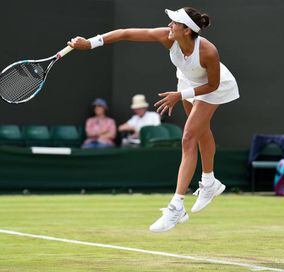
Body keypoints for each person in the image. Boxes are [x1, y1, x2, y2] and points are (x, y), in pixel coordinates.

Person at [68, 7, 239, 232]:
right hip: (187, 81)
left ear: (187, 30)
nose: (169, 25)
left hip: (212, 87)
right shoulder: (167, 37)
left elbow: (213, 85)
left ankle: (177, 206)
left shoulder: (208, 52)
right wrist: (91, 43)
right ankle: (209, 182)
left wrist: (180, 96)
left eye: (174, 23)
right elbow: (125, 33)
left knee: (188, 138)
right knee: (200, 132)